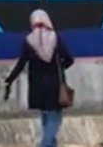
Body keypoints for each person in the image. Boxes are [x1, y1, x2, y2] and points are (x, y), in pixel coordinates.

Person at [4, 9, 75, 147]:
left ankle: (49, 144)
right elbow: (69, 59)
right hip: (55, 85)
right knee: (54, 119)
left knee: (45, 117)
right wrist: (60, 67)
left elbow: (21, 63)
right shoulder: (55, 37)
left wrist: (10, 79)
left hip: (37, 86)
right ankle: (45, 145)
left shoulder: (28, 40)